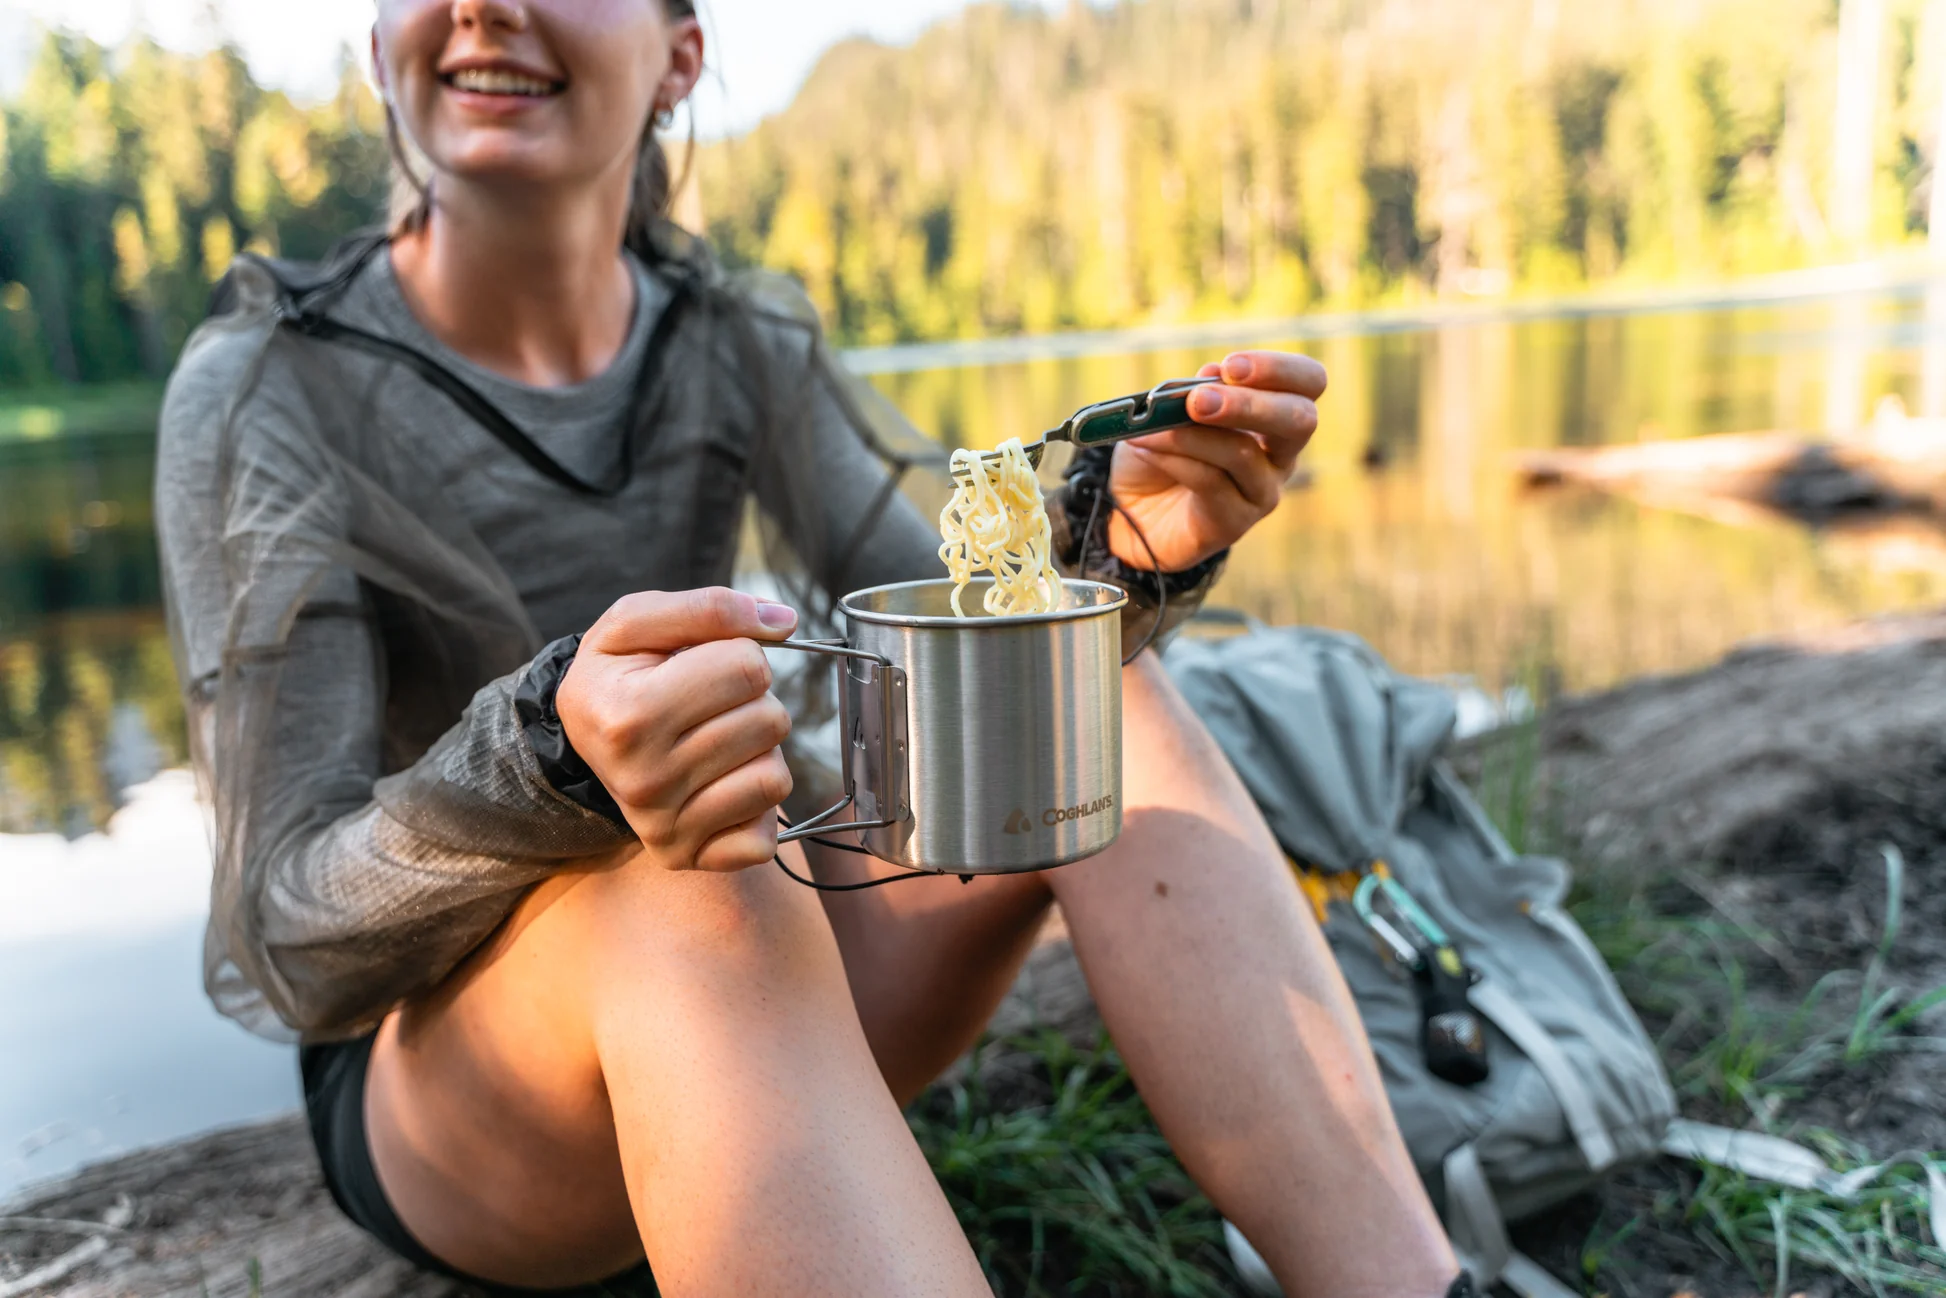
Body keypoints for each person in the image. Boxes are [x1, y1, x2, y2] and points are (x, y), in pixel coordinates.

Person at [155, 1, 1468, 1294]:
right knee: (685, 882)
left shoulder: (730, 336)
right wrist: (552, 755)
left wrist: (1120, 560)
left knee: (1093, 692)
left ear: (680, 57)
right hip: (462, 1094)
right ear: (380, 43)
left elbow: (961, 638)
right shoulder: (267, 388)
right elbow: (289, 943)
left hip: (776, 975)